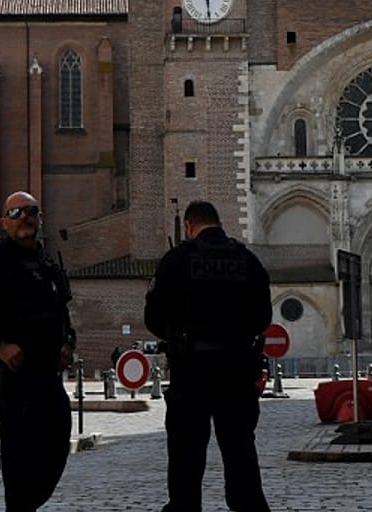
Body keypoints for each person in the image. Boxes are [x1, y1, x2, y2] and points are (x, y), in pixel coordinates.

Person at [0, 191, 77, 512]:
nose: (25, 217)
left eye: (31, 211)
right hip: (16, 376)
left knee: (58, 442)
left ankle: (27, 505)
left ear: (39, 218)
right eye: (17, 212)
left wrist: (67, 343)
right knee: (20, 457)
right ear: (4, 222)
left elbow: (62, 312)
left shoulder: (46, 262)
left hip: (49, 373)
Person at [145, 200, 273, 512]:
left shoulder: (177, 260)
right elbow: (263, 317)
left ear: (189, 226)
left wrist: (179, 334)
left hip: (192, 372)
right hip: (238, 371)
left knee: (187, 456)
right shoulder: (248, 260)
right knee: (240, 452)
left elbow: (153, 318)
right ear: (219, 223)